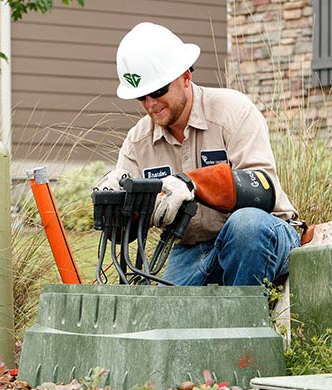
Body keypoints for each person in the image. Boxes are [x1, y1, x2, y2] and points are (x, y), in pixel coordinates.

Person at [97, 22, 299, 286]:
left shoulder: (232, 111)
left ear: (185, 77)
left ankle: (244, 324)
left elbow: (263, 190)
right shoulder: (138, 141)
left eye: (158, 91)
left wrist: (192, 184)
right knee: (162, 319)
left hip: (266, 235)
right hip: (189, 251)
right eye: (142, 97)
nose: (150, 104)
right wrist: (116, 205)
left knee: (247, 227)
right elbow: (126, 232)